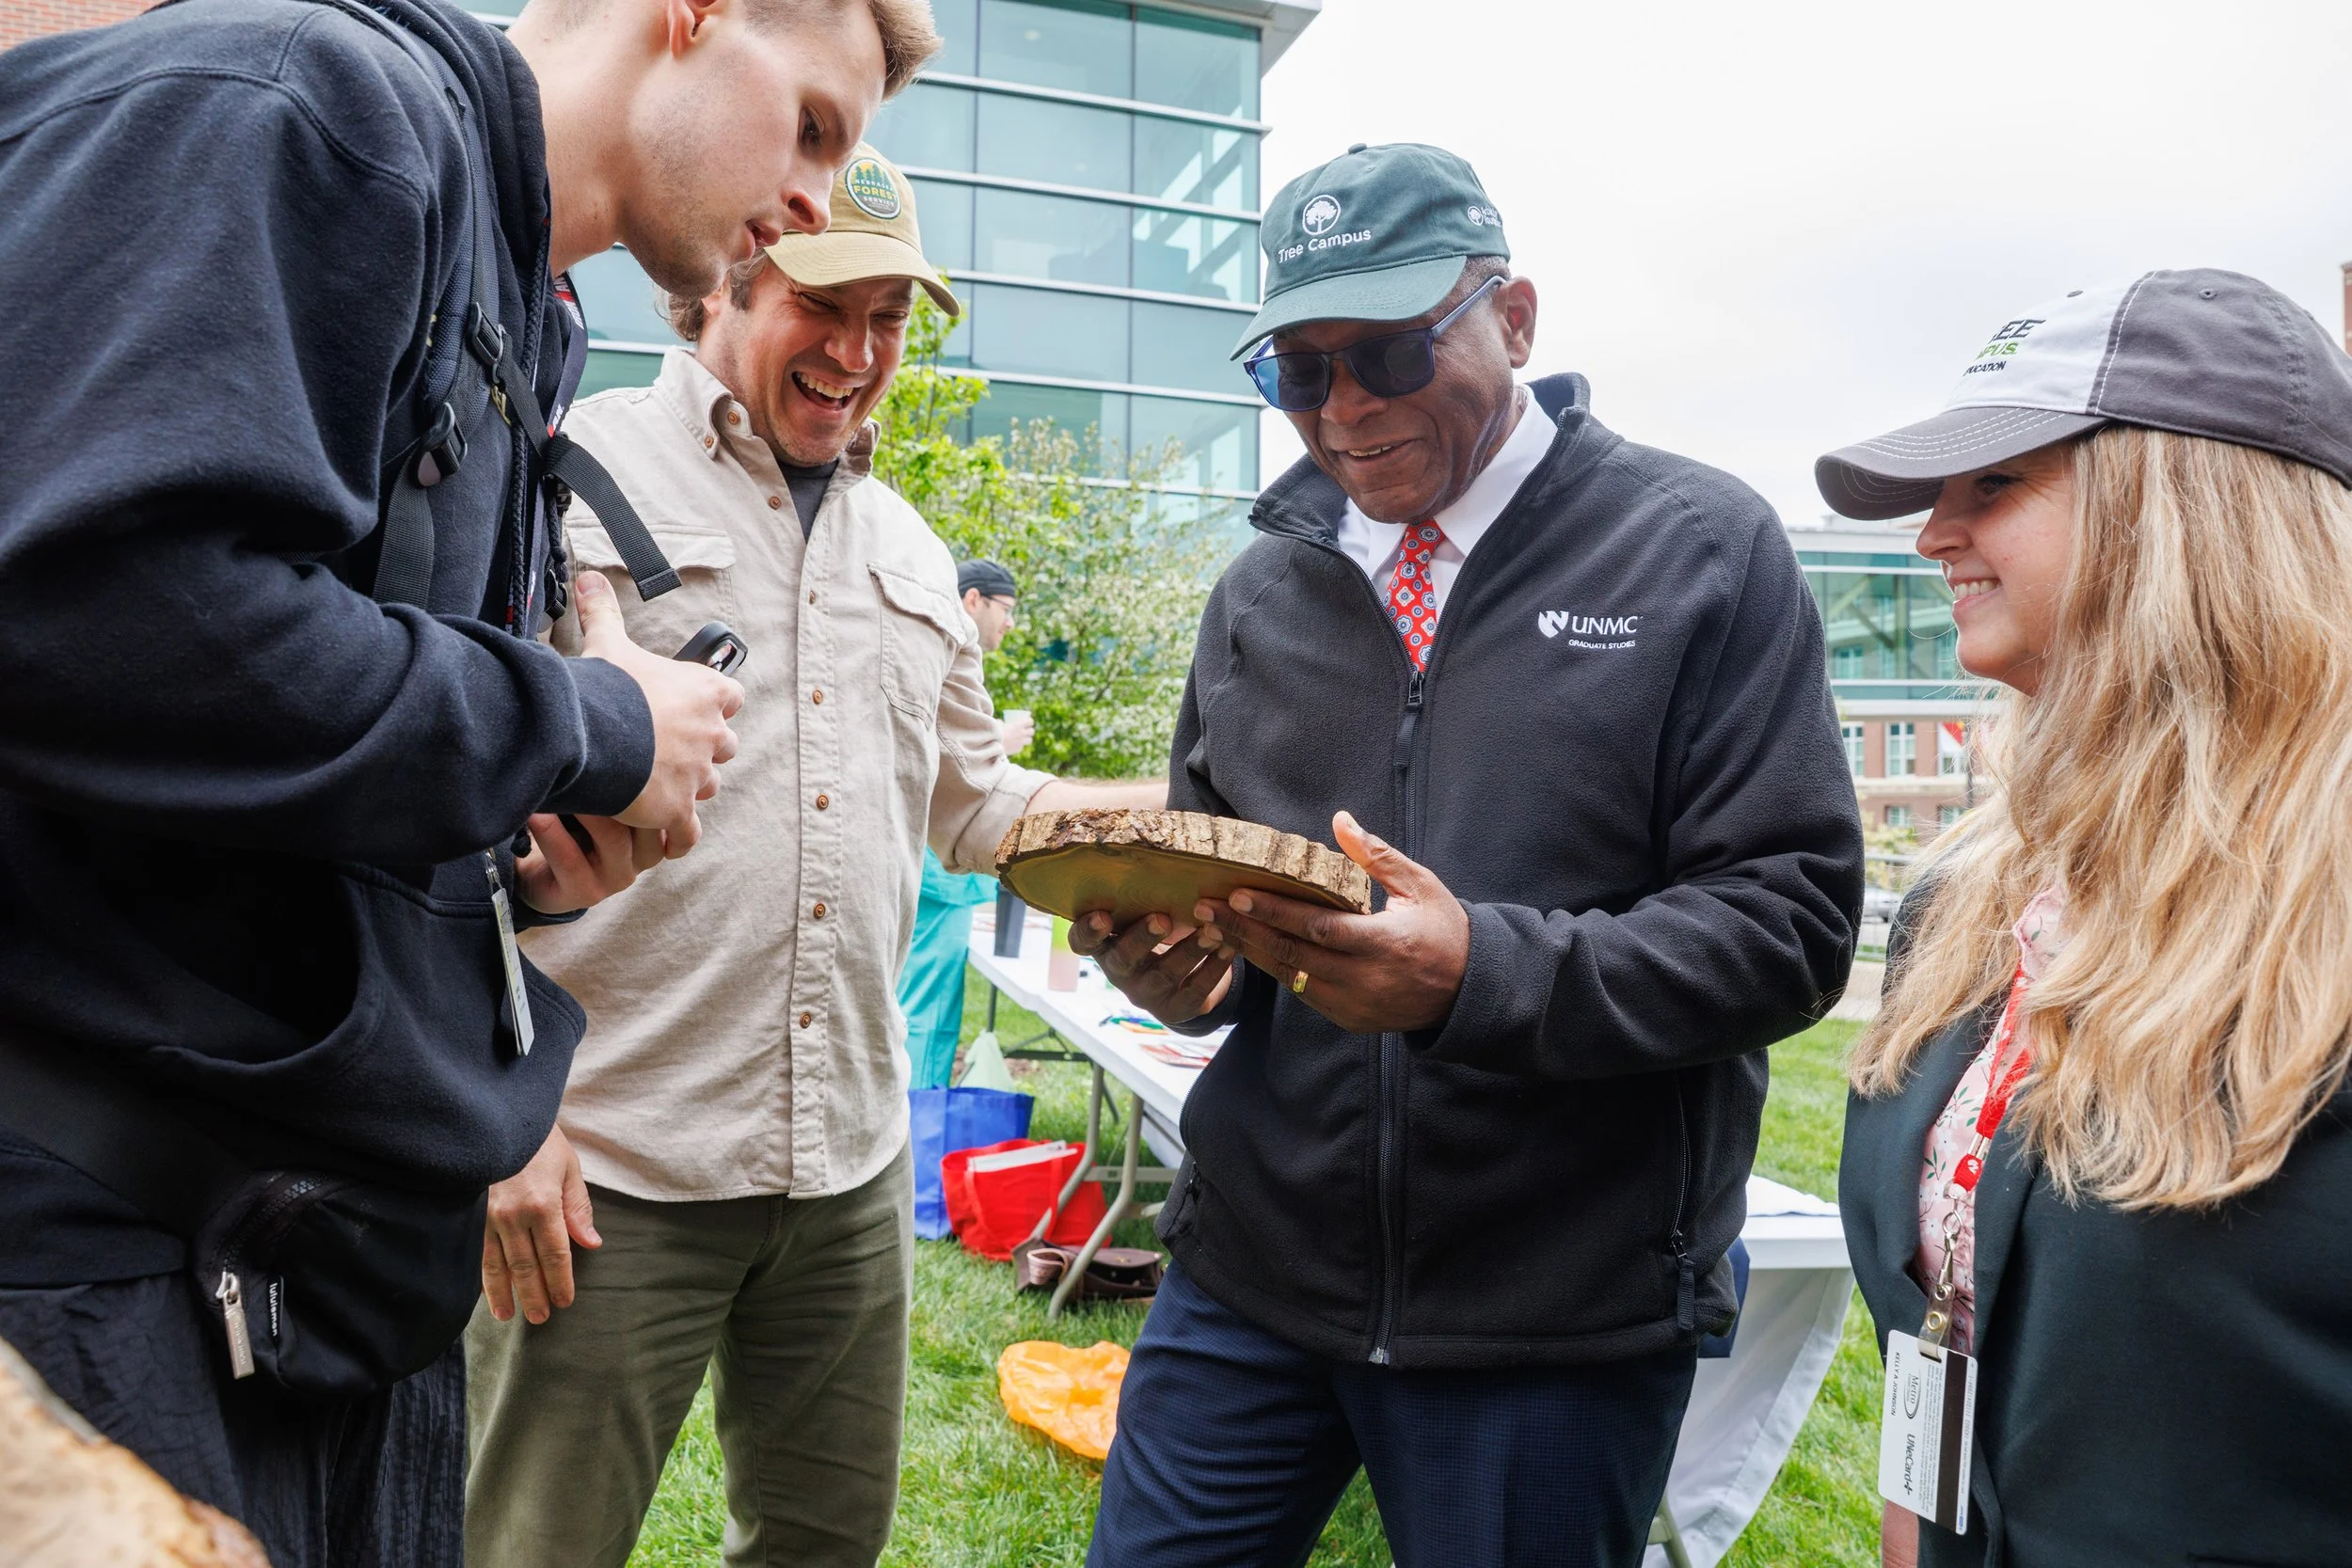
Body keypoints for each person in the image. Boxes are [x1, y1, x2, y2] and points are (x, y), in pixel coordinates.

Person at [0, 0, 932, 1560]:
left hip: (313, 1281)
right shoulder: (310, 102)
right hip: (106, 1284)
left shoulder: (519, 299)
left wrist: (502, 858)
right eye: (819, 126)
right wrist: (586, 726)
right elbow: (85, 618)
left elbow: (271, 767)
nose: (817, 203)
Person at [1070, 141, 1862, 1566]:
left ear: (1516, 315)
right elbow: (1229, 931)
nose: (1344, 408)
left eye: (1380, 349)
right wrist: (1179, 962)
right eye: (1295, 373)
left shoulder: (1700, 549)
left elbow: (1790, 922)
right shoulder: (1260, 590)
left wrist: (1474, 977)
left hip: (1552, 1307)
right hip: (1253, 1267)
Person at [464, 148, 1152, 1568]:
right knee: (526, 1546)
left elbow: (977, 802)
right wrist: (499, 1120)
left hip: (847, 1164)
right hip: (608, 1158)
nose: (859, 351)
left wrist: (1168, 823)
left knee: (825, 1543)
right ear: (725, 279)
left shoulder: (908, 541)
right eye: (825, 302)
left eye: (892, 314)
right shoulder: (564, 475)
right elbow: (432, 819)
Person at [1821, 270, 2352, 1568]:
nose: (1933, 534)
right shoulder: (1967, 902)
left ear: (2179, 509)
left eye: (1990, 484)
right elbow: (1932, 1322)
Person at [898, 558, 1025, 1088]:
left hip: (942, 868)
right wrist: (1001, 738)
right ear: (972, 601)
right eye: (1006, 610)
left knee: (925, 997)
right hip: (937, 867)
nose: (1011, 623)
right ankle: (919, 1129)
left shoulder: (945, 650)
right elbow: (926, 746)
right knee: (927, 1004)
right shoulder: (936, 648)